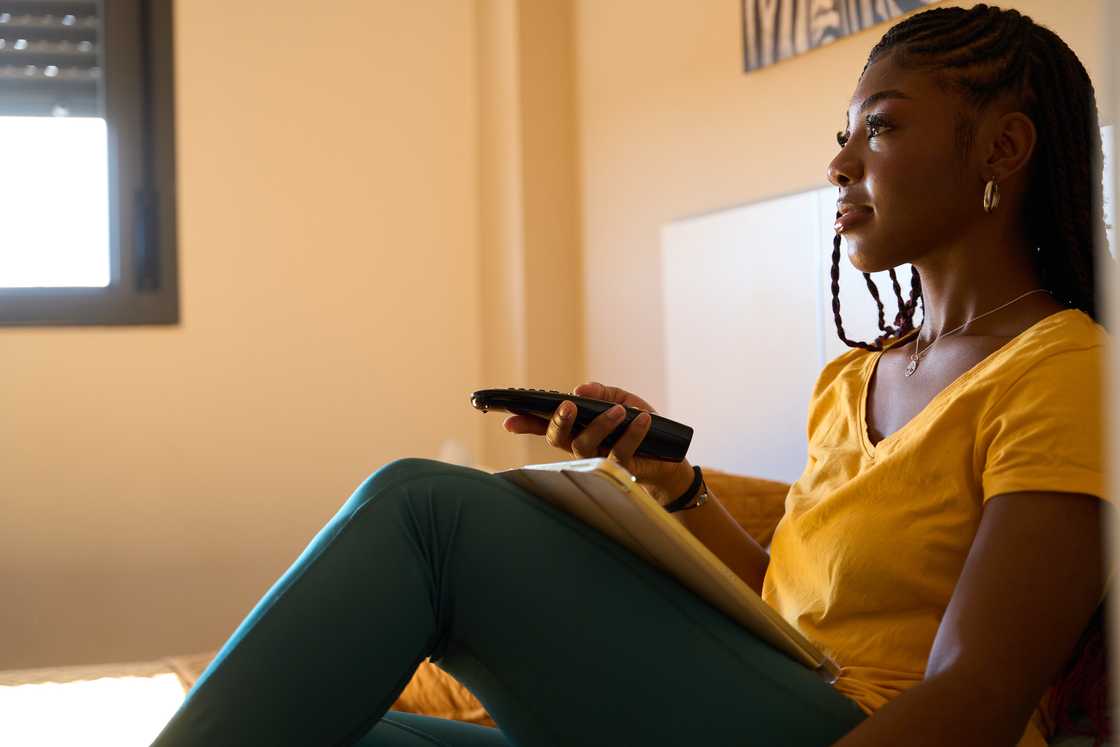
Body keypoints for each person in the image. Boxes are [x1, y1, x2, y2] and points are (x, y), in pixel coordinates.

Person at [151, 5, 1113, 746]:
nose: (839, 162)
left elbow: (979, 696)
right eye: (844, 133)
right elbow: (788, 605)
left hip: (855, 731)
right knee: (333, 725)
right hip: (768, 694)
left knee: (425, 511)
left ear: (1003, 148)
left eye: (881, 130)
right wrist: (672, 485)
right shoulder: (851, 378)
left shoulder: (1065, 372)